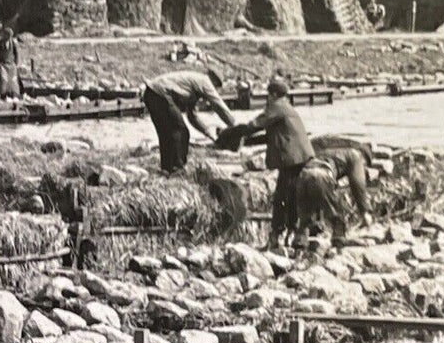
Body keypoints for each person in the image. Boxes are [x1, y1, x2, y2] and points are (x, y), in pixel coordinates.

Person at [218, 78, 315, 247]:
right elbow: (270, 137)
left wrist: (229, 133)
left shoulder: (276, 107)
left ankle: (278, 234)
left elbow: (254, 125)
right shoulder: (287, 107)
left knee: (281, 196)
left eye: (268, 95)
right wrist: (244, 142)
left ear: (273, 95)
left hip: (292, 158)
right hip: (299, 156)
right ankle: (290, 233)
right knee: (290, 194)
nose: (267, 99)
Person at [140, 66, 239, 173]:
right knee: (181, 131)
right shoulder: (205, 81)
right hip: (161, 93)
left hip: (150, 93)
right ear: (214, 81)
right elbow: (217, 103)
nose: (214, 88)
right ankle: (177, 168)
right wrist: (235, 125)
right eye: (216, 86)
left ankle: (167, 169)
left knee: (165, 133)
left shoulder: (191, 84)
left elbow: (192, 116)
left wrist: (209, 133)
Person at [294, 143, 373, 242]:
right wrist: (364, 212)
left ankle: (300, 245)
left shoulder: (333, 152)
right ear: (364, 157)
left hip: (302, 176)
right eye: (365, 165)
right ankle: (338, 244)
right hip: (321, 175)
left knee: (305, 219)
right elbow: (358, 184)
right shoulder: (355, 156)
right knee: (337, 215)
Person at [0, 25, 22, 98]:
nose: (8, 38)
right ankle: (1, 93)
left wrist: (15, 63)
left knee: (13, 81)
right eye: (7, 36)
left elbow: (17, 54)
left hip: (11, 65)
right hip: (2, 65)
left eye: (10, 36)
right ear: (4, 35)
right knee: (2, 81)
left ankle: (13, 93)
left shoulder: (13, 44)